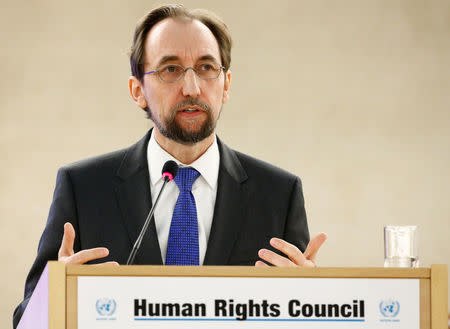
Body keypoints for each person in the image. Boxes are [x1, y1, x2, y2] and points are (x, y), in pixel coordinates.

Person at [13, 4, 326, 328]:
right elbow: (24, 321)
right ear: (138, 91)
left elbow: (303, 317)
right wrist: (57, 299)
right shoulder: (83, 188)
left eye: (206, 68)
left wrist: (313, 305)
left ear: (227, 84)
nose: (191, 88)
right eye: (170, 70)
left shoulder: (278, 195)